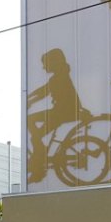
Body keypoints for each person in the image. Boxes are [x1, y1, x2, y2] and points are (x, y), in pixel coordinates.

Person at [26, 48, 90, 184]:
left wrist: (29, 100)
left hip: (63, 112)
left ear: (54, 62)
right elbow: (44, 90)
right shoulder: (61, 74)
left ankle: (39, 162)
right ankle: (40, 154)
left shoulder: (59, 77)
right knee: (35, 135)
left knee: (31, 125)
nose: (43, 67)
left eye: (46, 64)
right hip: (62, 111)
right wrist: (29, 98)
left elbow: (43, 91)